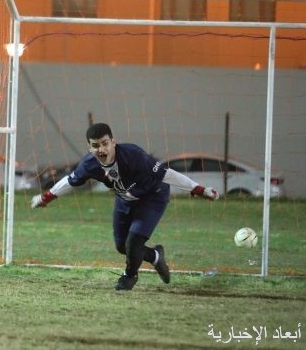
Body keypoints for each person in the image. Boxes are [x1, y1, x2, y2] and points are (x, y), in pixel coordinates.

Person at [31, 122, 219, 291]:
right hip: (124, 200)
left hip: (152, 197)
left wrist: (198, 189)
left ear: (113, 142)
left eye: (104, 143)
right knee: (122, 246)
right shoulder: (89, 165)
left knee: (133, 243)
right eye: (95, 146)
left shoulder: (133, 155)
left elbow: (166, 174)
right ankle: (155, 256)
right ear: (89, 148)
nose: (101, 149)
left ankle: (129, 276)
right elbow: (69, 181)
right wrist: (46, 197)